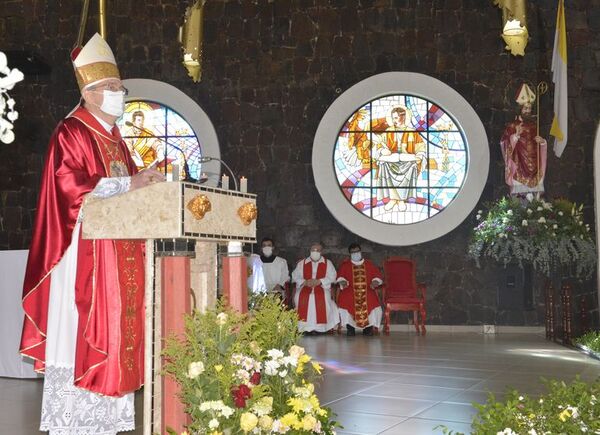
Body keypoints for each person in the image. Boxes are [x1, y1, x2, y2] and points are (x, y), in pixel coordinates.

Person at [19, 33, 164, 434]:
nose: (120, 94)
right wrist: (128, 185)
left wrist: (142, 181)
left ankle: (106, 418)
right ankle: (77, 422)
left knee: (121, 327)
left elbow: (122, 185)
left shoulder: (115, 138)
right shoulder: (73, 131)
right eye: (114, 88)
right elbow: (68, 184)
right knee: (81, 331)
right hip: (83, 252)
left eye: (120, 87)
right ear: (91, 91)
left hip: (118, 251)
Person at [374, 105, 426, 212]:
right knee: (384, 164)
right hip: (391, 161)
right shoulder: (389, 131)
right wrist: (382, 151)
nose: (394, 120)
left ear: (404, 117)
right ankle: (393, 199)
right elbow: (379, 144)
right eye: (393, 118)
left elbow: (420, 147)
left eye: (396, 118)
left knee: (412, 165)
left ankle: (401, 199)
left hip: (407, 161)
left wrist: (419, 156)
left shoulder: (412, 132)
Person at [500, 83, 547, 196]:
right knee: (519, 200)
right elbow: (504, 143)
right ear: (520, 109)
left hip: (535, 165)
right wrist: (515, 136)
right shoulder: (512, 126)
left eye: (530, 108)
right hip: (519, 165)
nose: (528, 111)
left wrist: (542, 142)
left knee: (536, 200)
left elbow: (540, 143)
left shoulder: (535, 126)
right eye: (525, 108)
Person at [336, 243, 383, 336]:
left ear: (360, 252)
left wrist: (375, 282)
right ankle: (350, 328)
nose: (355, 253)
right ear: (350, 254)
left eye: (357, 251)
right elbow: (340, 277)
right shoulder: (345, 264)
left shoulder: (369, 264)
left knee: (373, 303)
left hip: (367, 290)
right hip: (350, 289)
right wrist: (343, 282)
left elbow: (377, 276)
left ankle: (368, 328)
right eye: (353, 252)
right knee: (345, 301)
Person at [292, 243, 339, 334]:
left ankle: (320, 328)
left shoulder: (328, 263)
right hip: (305, 286)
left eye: (317, 250)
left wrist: (320, 281)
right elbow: (295, 276)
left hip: (322, 287)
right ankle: (304, 328)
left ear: (321, 252)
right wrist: (304, 282)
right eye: (313, 250)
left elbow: (333, 276)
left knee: (324, 296)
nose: (315, 252)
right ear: (310, 251)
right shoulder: (302, 263)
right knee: (298, 296)